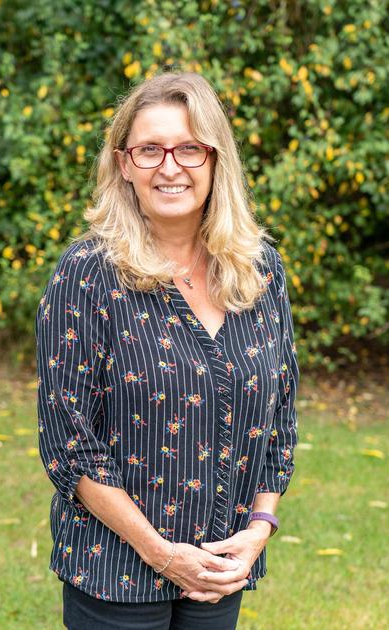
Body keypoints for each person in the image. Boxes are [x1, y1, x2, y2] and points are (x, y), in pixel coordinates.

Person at [36, 71, 299, 630]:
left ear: (216, 159)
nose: (170, 166)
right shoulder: (86, 275)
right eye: (150, 149)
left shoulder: (259, 270)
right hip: (114, 574)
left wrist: (259, 529)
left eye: (189, 148)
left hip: (220, 568)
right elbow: (69, 445)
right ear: (124, 164)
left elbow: (279, 419)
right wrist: (162, 554)